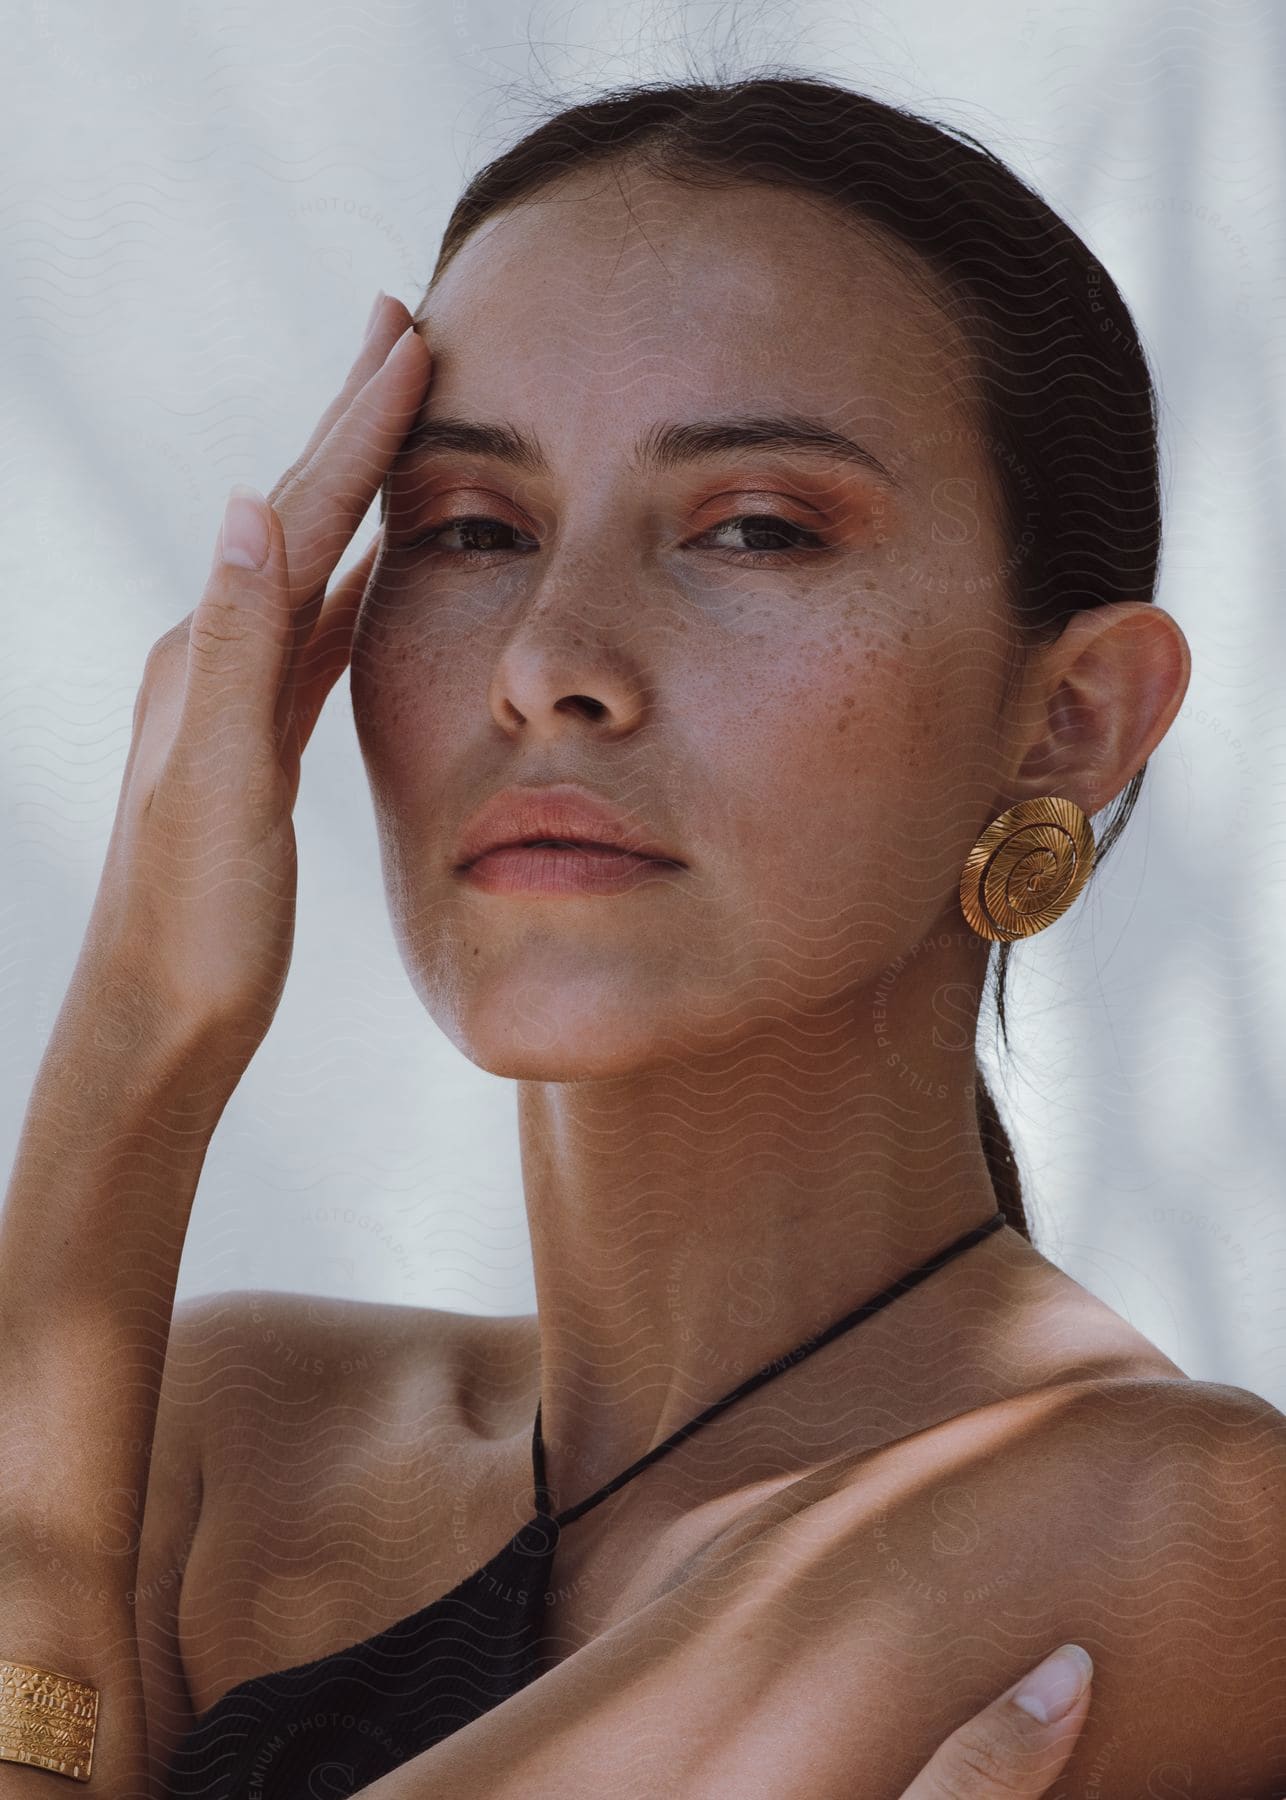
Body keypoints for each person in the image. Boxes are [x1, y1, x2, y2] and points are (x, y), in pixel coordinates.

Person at [1, 76, 1282, 1799]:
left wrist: (125, 1077)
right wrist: (139, 1025)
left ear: (1069, 716)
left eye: (754, 528)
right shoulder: (220, 1439)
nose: (551, 658)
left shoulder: (1171, 1524)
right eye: (469, 530)